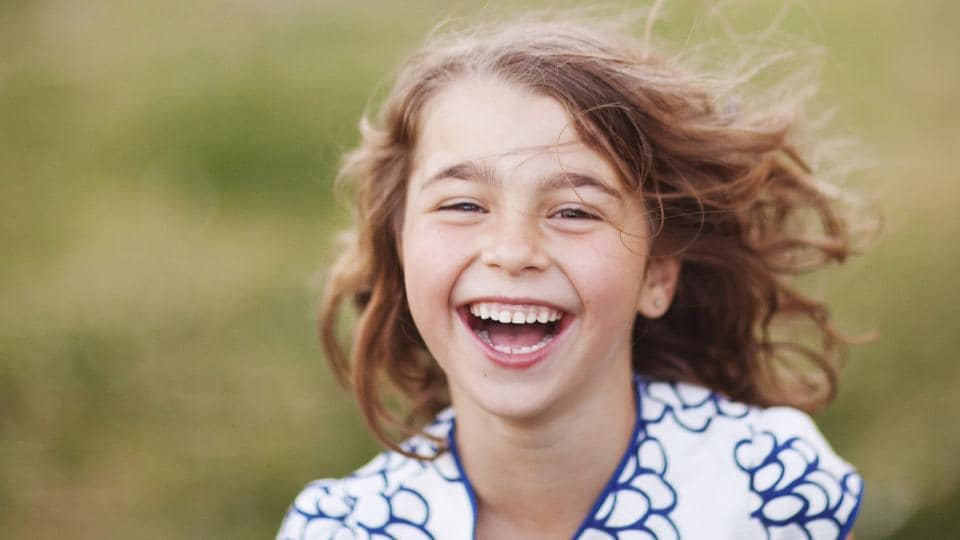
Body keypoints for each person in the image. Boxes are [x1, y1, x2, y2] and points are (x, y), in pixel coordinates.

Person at [277, 11, 870, 540]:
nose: (513, 252)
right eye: (463, 205)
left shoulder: (765, 485)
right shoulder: (340, 527)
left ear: (657, 275)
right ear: (401, 246)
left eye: (574, 212)